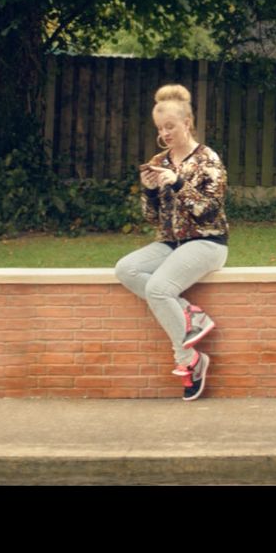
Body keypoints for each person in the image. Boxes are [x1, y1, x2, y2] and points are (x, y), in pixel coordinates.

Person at [114, 84, 229, 402]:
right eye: (160, 128)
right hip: (170, 242)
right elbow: (152, 218)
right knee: (126, 268)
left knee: (158, 288)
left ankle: (189, 360)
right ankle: (191, 315)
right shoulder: (158, 160)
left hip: (208, 242)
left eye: (170, 126)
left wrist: (178, 183)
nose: (164, 133)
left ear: (187, 123)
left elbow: (209, 212)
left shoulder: (208, 159)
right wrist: (149, 190)